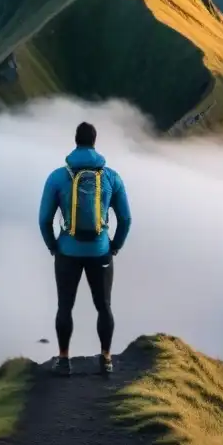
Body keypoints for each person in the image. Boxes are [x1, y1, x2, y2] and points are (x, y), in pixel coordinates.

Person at [38, 121, 132, 376]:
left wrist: (53, 245)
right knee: (104, 306)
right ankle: (106, 358)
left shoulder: (57, 177)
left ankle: (64, 358)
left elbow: (44, 218)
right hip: (100, 251)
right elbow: (125, 219)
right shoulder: (111, 176)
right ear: (94, 141)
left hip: (67, 252)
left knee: (65, 306)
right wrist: (114, 245)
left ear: (75, 141)